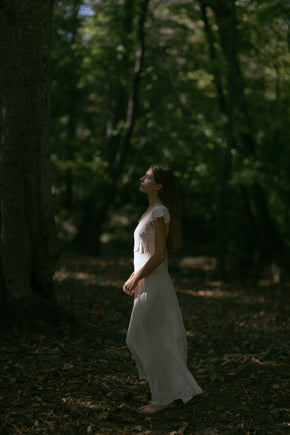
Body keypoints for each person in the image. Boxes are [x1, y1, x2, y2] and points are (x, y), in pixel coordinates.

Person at [123, 164, 202, 415]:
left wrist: (136, 277)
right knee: (150, 338)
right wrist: (138, 278)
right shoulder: (150, 210)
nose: (141, 178)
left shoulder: (159, 211)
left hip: (153, 283)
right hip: (149, 283)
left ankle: (162, 397)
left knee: (138, 337)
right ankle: (165, 393)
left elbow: (158, 255)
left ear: (158, 186)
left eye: (147, 176)